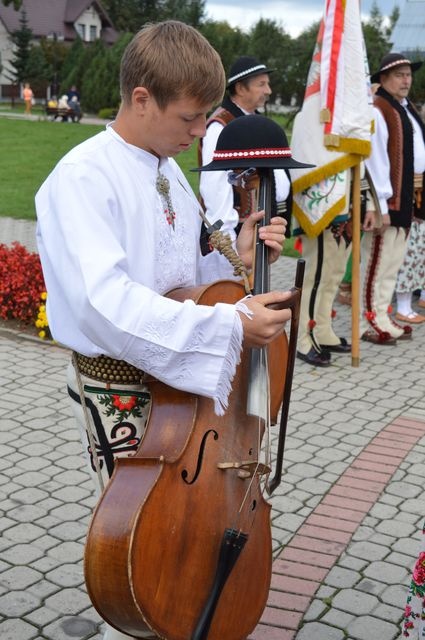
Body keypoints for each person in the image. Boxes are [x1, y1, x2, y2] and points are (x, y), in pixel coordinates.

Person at [35, 21, 291, 640]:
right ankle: (155, 618)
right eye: (191, 118)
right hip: (125, 387)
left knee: (196, 523)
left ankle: (190, 613)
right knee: (148, 535)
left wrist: (243, 251)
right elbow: (106, 303)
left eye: (206, 118)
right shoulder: (83, 178)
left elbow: (185, 272)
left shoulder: (165, 166)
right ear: (142, 98)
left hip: (187, 386)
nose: (201, 132)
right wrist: (230, 323)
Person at [360, 52, 425, 344]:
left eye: (408, 74)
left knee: (392, 263)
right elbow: (375, 161)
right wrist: (380, 202)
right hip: (388, 199)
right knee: (378, 261)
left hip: (405, 196)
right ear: (383, 79)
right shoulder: (379, 108)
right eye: (399, 74)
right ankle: (369, 318)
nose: (406, 79)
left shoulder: (403, 107)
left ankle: (382, 314)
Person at [199, 55, 292, 241]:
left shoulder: (256, 122)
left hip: (260, 228)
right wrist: (229, 244)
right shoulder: (220, 126)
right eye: (262, 84)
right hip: (237, 233)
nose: (269, 90)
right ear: (240, 88)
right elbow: (215, 189)